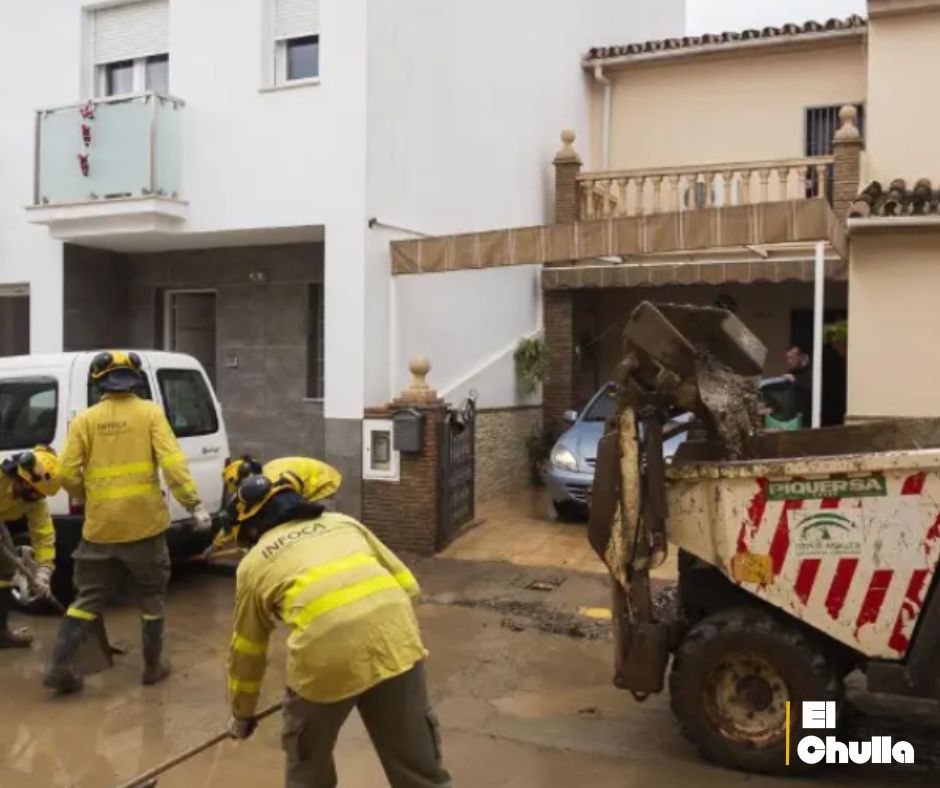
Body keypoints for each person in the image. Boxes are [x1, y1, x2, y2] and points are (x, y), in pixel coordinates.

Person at [225, 473, 452, 788]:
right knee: (418, 768)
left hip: (324, 660)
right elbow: (409, 587)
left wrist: (242, 715)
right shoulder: (343, 523)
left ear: (249, 528)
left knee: (308, 766)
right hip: (394, 640)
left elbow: (248, 651)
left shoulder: (252, 565)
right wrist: (376, 628)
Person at [44, 351, 212, 694]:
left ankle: (60, 665)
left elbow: (65, 473)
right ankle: (152, 666)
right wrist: (193, 505)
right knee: (151, 596)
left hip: (100, 528)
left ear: (99, 383)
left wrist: (89, 497)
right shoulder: (150, 413)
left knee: (87, 598)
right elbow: (173, 464)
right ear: (135, 381)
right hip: (145, 527)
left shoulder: (85, 420)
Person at [0, 447, 60, 648]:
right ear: (23, 480)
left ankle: (0, 633)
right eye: (34, 492)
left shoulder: (35, 500)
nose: (36, 498)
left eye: (40, 495)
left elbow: (43, 534)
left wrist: (44, 571)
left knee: (5, 570)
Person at [784, 345, 813, 427]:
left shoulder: (813, 368)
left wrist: (795, 382)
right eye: (787, 358)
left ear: (801, 356)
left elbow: (811, 389)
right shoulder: (792, 371)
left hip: (810, 415)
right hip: (795, 414)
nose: (789, 361)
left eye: (792, 358)